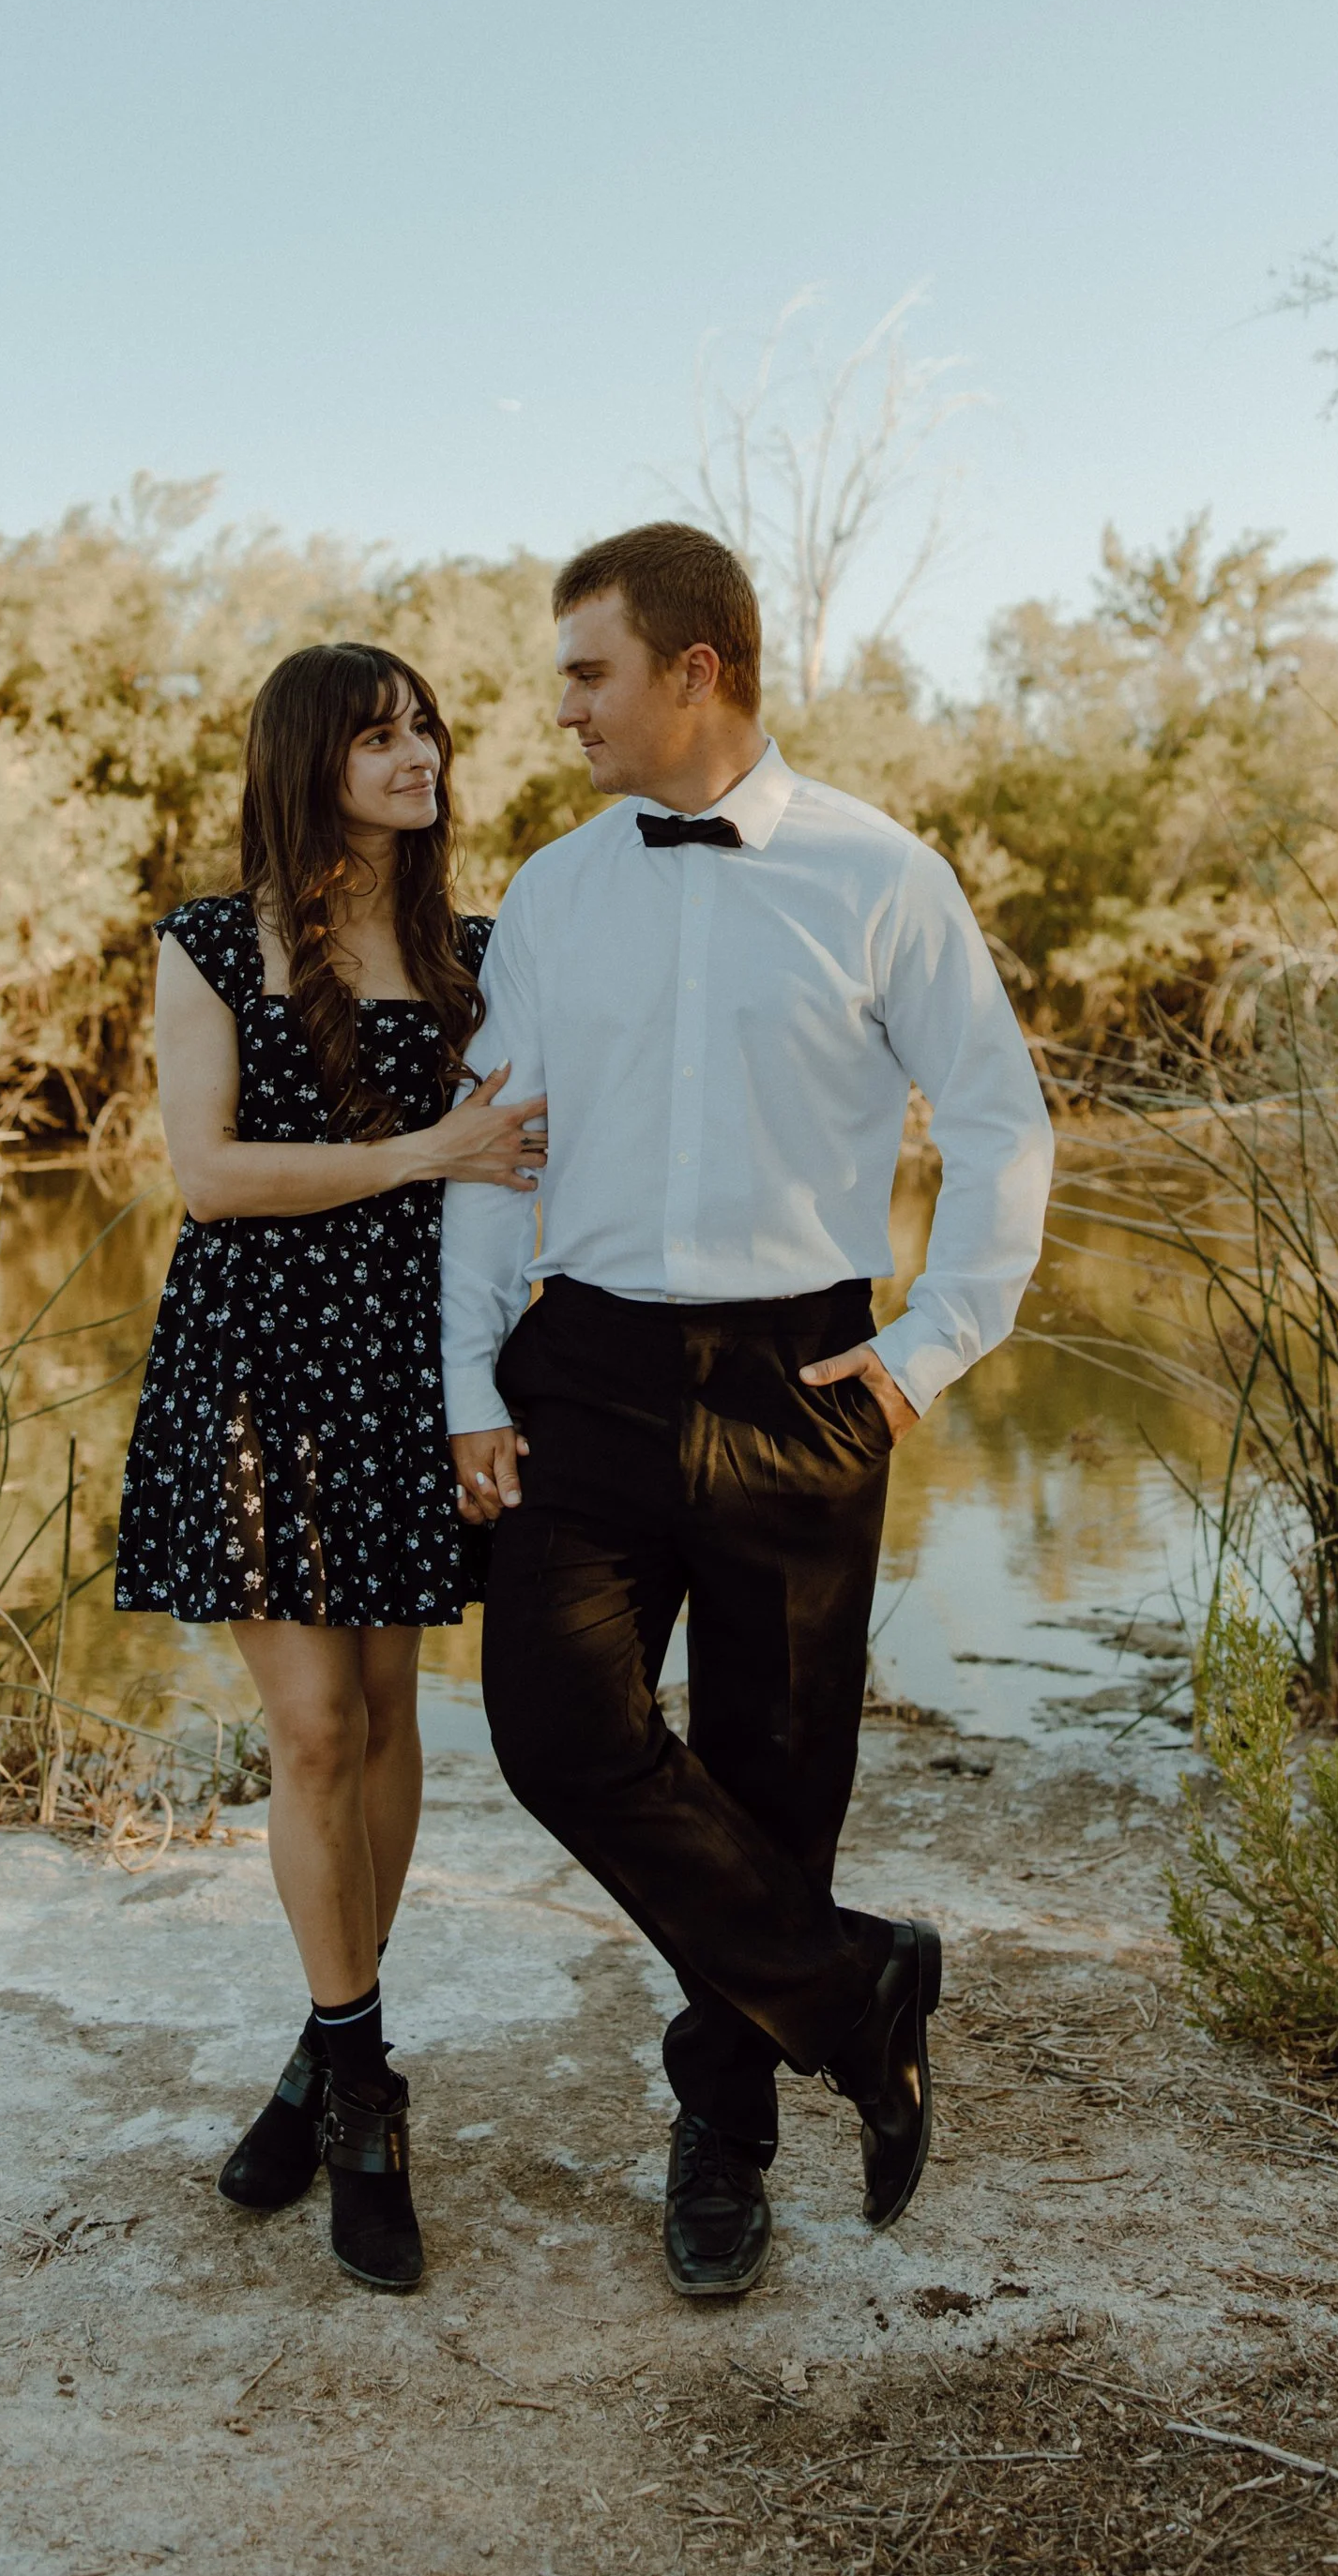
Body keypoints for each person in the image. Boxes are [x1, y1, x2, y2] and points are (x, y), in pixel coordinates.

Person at [441, 523, 1054, 2301]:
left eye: (589, 671)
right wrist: (470, 1372)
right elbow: (499, 1149)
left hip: (803, 1373)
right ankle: (860, 1988)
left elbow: (1005, 1122)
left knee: (783, 1772)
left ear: (693, 670)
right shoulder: (556, 889)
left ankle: (728, 2130)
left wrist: (933, 1346)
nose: (563, 707)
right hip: (591, 1363)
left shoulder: (880, 872)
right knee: (559, 1731)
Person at [116, 643, 545, 2292]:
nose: (418, 749)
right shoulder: (211, 943)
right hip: (255, 1367)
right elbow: (211, 1175)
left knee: (386, 1721)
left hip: (410, 1372)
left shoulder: (479, 952)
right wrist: (423, 1150)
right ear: (312, 758)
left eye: (427, 722)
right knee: (308, 1725)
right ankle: (367, 2095)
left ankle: (324, 2047)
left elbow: (520, 1169)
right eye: (379, 732)